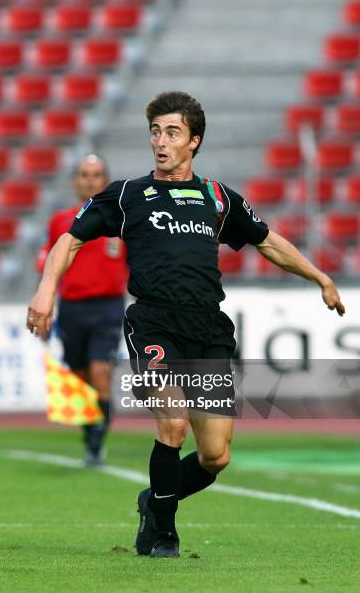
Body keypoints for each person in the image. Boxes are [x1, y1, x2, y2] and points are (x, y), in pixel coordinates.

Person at [26, 91, 345, 558]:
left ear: (193, 141)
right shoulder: (128, 194)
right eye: (155, 131)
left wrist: (318, 275)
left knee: (215, 455)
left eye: (172, 132)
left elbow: (268, 242)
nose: (161, 141)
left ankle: (154, 501)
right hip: (153, 322)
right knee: (172, 422)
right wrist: (45, 290)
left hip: (208, 328)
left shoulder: (216, 197)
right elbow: (70, 240)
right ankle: (165, 534)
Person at [38, 154, 127, 466]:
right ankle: (90, 432)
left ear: (105, 181)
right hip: (72, 307)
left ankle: (96, 441)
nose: (90, 180)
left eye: (97, 174)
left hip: (108, 307)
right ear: (75, 181)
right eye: (84, 174)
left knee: (101, 372)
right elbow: (48, 266)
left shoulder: (121, 219)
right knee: (80, 377)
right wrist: (44, 304)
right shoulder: (60, 222)